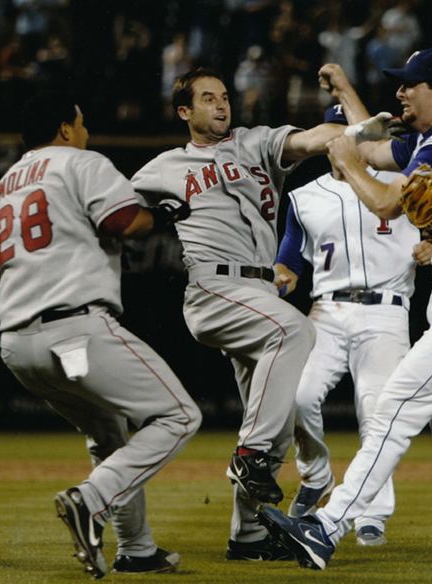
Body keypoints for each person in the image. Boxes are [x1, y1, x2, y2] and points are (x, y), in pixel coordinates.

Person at [258, 47, 432, 567]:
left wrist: (348, 159)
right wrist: (346, 101)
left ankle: (325, 525)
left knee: (392, 408)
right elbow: (377, 153)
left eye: (411, 84)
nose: (400, 92)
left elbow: (381, 198)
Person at [130, 67, 353, 561]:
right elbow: (116, 215)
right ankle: (249, 456)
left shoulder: (255, 143)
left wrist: (362, 126)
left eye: (225, 96)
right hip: (213, 287)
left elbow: (317, 138)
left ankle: (247, 535)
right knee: (295, 332)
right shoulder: (163, 167)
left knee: (275, 413)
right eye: (208, 98)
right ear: (185, 110)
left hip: (260, 292)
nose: (221, 105)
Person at [0, 91, 202, 579]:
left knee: (107, 433)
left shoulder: (4, 186)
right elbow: (122, 220)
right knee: (179, 415)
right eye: (80, 123)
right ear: (63, 128)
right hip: (74, 332)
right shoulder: (79, 162)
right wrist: (162, 214)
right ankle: (90, 500)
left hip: (17, 343)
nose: (85, 132)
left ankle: (136, 550)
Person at [274, 104, 432, 546]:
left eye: (362, 134)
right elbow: (288, 262)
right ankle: (315, 475)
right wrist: (277, 281)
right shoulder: (304, 197)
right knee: (297, 395)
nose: (353, 141)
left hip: (386, 312)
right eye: (345, 134)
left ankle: (372, 513)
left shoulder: (401, 185)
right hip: (325, 312)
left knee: (377, 411)